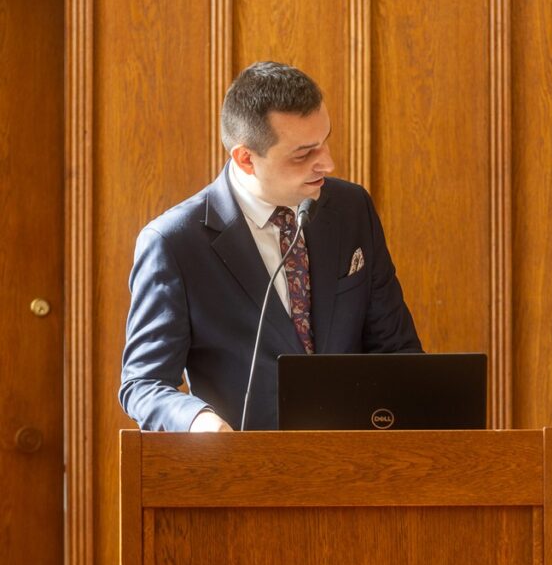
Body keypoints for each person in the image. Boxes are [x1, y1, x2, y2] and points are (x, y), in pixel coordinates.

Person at [120, 62, 422, 432]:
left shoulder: (351, 208)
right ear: (246, 159)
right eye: (303, 154)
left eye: (325, 141)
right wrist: (200, 422)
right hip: (244, 471)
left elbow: (397, 351)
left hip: (356, 467)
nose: (326, 163)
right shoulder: (174, 243)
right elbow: (143, 384)